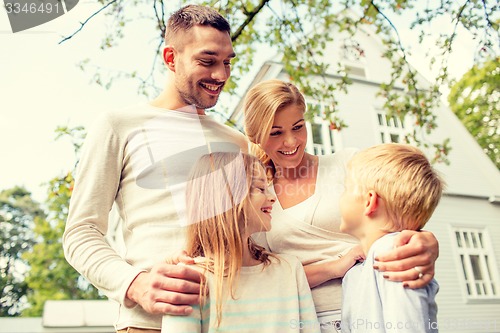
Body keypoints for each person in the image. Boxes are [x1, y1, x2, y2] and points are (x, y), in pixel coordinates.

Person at [63, 5, 248, 332]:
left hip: (236, 319)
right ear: (170, 58)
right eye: (207, 61)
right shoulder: (118, 125)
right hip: (151, 324)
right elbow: (80, 233)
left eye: (227, 62)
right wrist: (135, 284)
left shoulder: (238, 143)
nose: (221, 75)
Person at [243, 79, 440, 332]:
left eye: (298, 127)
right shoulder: (259, 199)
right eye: (276, 133)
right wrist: (334, 267)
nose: (291, 142)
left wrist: (425, 239)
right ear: (255, 137)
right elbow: (266, 277)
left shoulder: (347, 164)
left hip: (374, 307)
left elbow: (403, 207)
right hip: (305, 320)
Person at [162, 152, 320, 332]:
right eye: (261, 189)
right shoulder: (188, 281)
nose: (272, 197)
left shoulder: (290, 269)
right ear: (226, 198)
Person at [339, 143, 443, 332]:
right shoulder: (355, 273)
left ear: (369, 201)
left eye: (346, 189)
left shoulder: (395, 255)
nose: (340, 197)